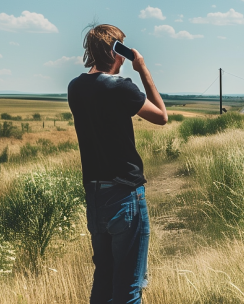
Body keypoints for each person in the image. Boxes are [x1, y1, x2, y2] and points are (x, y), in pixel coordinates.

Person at [67, 24, 167, 304]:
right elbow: (161, 116)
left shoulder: (74, 87)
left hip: (95, 197)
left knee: (103, 282)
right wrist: (142, 69)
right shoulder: (121, 87)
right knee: (128, 289)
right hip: (125, 195)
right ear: (115, 52)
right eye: (121, 49)